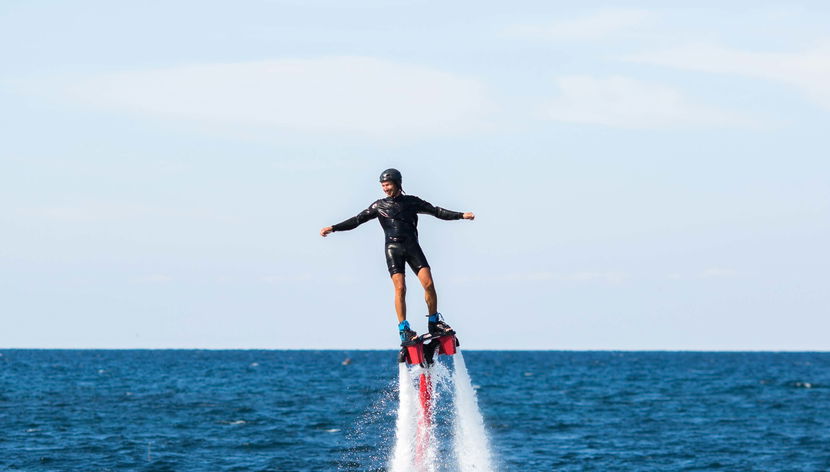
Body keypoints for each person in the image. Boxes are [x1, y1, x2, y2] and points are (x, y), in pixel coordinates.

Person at [320, 169, 475, 345]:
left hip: (412, 246)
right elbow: (356, 220)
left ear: (397, 183)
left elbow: (437, 212)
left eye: (388, 185)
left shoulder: (412, 202)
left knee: (429, 284)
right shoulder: (378, 206)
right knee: (400, 288)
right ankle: (404, 329)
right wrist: (333, 228)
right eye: (383, 186)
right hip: (393, 249)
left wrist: (461, 215)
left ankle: (434, 322)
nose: (385, 188)